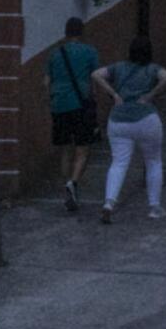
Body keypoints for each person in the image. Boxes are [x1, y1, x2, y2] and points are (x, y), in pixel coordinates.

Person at [92, 37, 166, 224]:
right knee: (153, 161)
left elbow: (96, 74)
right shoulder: (152, 69)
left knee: (118, 163)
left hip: (119, 120)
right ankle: (154, 207)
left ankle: (109, 203)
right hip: (146, 119)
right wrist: (150, 95)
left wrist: (114, 94)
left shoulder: (119, 67)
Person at [45, 17, 99, 212]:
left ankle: (66, 182)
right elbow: (94, 80)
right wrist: (94, 101)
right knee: (83, 148)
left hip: (59, 105)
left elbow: (46, 83)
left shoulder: (54, 54)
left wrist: (51, 102)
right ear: (81, 32)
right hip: (80, 105)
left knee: (65, 149)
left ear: (65, 33)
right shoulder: (90, 52)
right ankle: (73, 183)